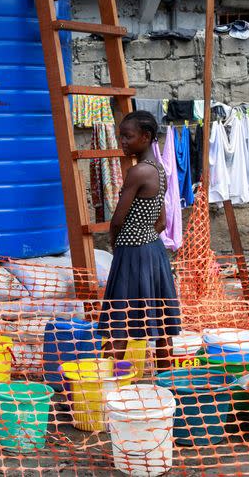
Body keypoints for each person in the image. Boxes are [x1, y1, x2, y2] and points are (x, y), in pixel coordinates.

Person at [99, 110, 181, 371]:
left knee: (120, 320)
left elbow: (117, 220)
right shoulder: (159, 170)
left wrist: (116, 244)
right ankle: (168, 381)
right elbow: (161, 222)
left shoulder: (137, 173)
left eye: (127, 136)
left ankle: (107, 382)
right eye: (121, 136)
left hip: (132, 251)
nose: (122, 141)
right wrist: (146, 239)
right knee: (161, 320)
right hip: (154, 251)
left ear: (145, 137)